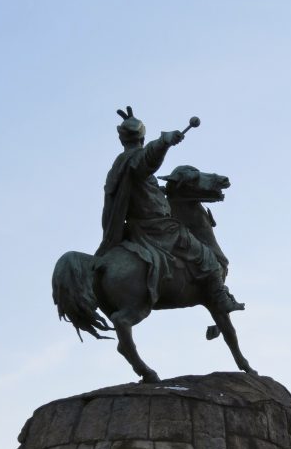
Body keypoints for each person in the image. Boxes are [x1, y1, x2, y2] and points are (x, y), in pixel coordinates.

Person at [96, 107, 243, 314]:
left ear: (122, 140)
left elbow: (146, 190)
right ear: (142, 138)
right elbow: (149, 159)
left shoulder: (119, 165)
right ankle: (221, 299)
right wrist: (164, 141)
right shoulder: (136, 159)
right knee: (207, 257)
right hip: (159, 228)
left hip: (136, 227)